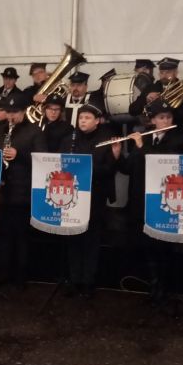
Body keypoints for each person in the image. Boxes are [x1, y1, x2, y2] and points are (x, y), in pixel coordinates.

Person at [116, 99, 183, 297]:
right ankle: (152, 285)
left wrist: (139, 147)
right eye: (161, 117)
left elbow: (160, 164)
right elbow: (128, 169)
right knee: (146, 245)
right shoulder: (145, 138)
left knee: (163, 246)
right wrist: (118, 155)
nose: (165, 121)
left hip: (163, 201)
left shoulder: (178, 140)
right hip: (140, 200)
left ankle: (164, 288)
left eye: (168, 117)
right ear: (153, 120)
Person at [0, 91, 46, 289]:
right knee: (3, 235)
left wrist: (20, 155)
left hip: (23, 192)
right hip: (1, 191)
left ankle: (21, 277)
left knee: (21, 237)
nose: (11, 116)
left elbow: (42, 161)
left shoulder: (35, 131)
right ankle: (3, 273)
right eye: (8, 112)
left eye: (15, 112)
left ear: (24, 111)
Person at [57, 104, 122, 297]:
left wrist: (113, 157)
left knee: (91, 240)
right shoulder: (69, 139)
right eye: (81, 118)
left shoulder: (106, 139)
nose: (83, 121)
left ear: (97, 121)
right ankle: (74, 279)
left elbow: (109, 169)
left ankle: (88, 281)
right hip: (73, 196)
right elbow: (61, 165)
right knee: (73, 238)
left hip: (96, 195)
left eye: (87, 118)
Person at [136, 58, 183, 126]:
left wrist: (166, 106)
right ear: (159, 74)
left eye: (168, 72)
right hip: (152, 129)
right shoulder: (151, 87)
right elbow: (133, 110)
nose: (164, 76)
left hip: (174, 130)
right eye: (162, 72)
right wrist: (145, 99)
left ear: (176, 73)